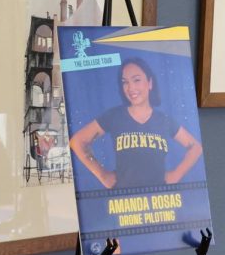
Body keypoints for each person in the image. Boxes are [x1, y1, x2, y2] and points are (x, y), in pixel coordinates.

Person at [69, 58, 203, 188]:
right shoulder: (114, 116)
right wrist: (103, 175)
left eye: (136, 80)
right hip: (124, 201)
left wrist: (175, 175)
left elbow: (195, 147)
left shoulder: (164, 120)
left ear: (150, 83)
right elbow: (78, 141)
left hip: (160, 201)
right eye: (125, 82)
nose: (130, 87)